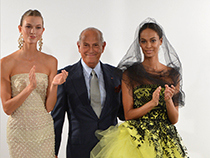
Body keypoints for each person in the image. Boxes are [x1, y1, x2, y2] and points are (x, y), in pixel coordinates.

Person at [90, 18, 189, 158]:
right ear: (139, 43)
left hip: (165, 141)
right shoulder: (130, 74)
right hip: (136, 139)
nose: (148, 45)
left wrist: (167, 100)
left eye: (153, 40)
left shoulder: (172, 75)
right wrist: (152, 103)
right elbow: (128, 114)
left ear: (160, 41)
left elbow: (174, 119)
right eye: (143, 41)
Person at [0, 9, 68, 158]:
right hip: (18, 133)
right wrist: (29, 88)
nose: (33, 31)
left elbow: (49, 107)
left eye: (38, 27)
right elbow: (7, 108)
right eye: (28, 26)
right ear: (20, 29)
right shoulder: (5, 63)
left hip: (43, 132)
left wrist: (55, 85)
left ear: (43, 31)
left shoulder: (51, 61)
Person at [51, 27, 124, 158]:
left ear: (103, 46)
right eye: (86, 45)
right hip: (79, 150)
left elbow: (124, 113)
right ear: (79, 47)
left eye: (95, 45)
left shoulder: (117, 75)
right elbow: (57, 118)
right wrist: (52, 152)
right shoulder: (65, 77)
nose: (91, 50)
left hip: (111, 149)